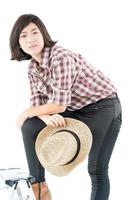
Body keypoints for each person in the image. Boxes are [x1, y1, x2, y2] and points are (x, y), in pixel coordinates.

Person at [9, 14, 122, 200]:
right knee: (30, 126)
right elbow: (38, 103)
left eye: (35, 32)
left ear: (43, 34)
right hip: (76, 107)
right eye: (23, 35)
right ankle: (39, 189)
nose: (31, 39)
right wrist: (43, 116)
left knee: (97, 169)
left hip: (104, 107)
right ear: (18, 43)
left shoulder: (60, 58)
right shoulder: (32, 68)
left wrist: (27, 112)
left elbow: (59, 105)